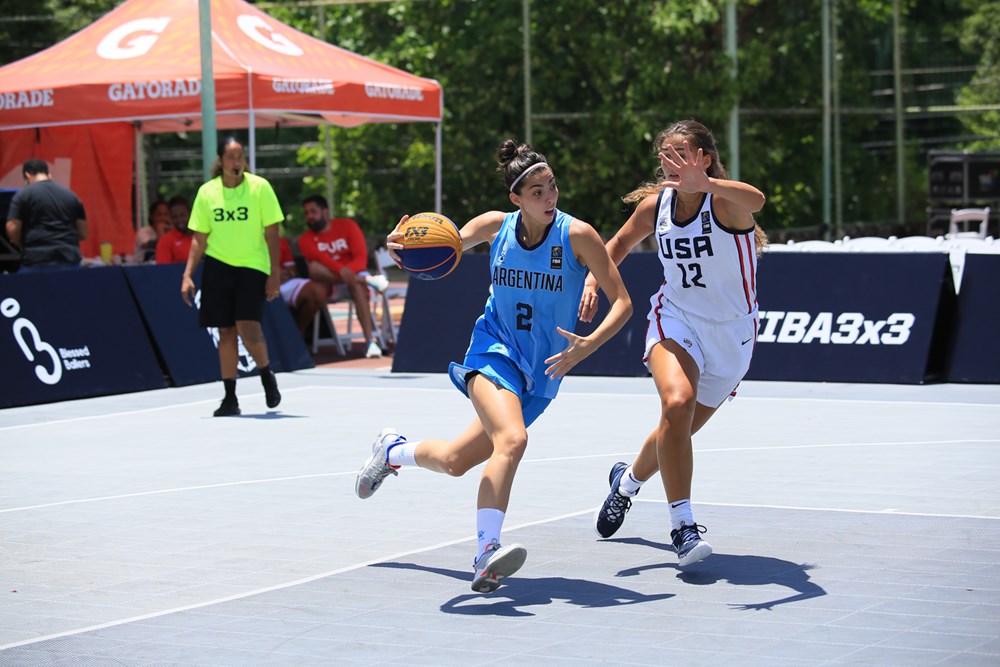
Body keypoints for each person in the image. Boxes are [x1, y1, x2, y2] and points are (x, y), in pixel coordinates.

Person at [355, 139, 633, 593]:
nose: (549, 197)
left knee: (453, 461)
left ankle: (391, 451)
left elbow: (623, 302)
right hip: (494, 351)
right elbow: (441, 246)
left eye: (552, 187)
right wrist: (399, 248)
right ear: (516, 199)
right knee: (513, 439)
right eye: (538, 191)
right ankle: (486, 553)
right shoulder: (494, 227)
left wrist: (588, 345)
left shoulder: (577, 235)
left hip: (542, 373)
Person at [583, 119, 767, 567]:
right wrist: (594, 275)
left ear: (703, 157)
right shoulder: (656, 206)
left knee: (676, 431)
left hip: (732, 337)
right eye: (665, 154)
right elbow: (620, 243)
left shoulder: (725, 203)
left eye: (681, 153)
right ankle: (682, 527)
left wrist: (709, 183)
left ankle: (625, 483)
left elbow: (758, 199)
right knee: (677, 403)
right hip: (676, 319)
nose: (670, 162)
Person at [180, 136, 283, 417]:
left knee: (247, 325)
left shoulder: (260, 188)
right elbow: (198, 238)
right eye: (230, 157)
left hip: (253, 265)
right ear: (220, 161)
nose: (236, 162)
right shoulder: (207, 192)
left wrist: (274, 272)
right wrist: (188, 274)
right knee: (225, 330)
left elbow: (272, 232)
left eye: (240, 156)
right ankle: (230, 398)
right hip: (218, 265)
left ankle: (265, 374)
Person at [297, 195, 386, 359]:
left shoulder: (348, 226)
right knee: (314, 269)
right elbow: (321, 262)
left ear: (325, 212)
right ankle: (368, 280)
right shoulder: (304, 240)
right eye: (306, 213)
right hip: (329, 283)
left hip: (353, 277)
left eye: (313, 212)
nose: (309, 216)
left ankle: (370, 342)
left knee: (357, 286)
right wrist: (342, 271)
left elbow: (361, 258)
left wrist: (348, 272)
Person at [4, 159, 87, 272]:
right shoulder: (72, 196)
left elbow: (12, 228)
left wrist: (21, 244)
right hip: (69, 261)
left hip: (35, 262)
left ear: (27, 175)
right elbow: (83, 233)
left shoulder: (22, 196)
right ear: (49, 174)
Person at [278, 234, 328, 338]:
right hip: (252, 285)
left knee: (316, 292)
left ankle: (297, 335)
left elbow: (292, 270)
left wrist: (284, 274)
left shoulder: (278, 240)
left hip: (280, 285)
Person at [155, 195, 194, 264]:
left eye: (182, 215)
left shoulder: (201, 236)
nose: (179, 220)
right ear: (170, 218)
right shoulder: (166, 241)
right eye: (175, 217)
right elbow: (163, 270)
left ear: (190, 214)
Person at [133, 199, 172, 264]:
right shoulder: (144, 232)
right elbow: (153, 247)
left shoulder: (171, 231)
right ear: (151, 216)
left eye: (166, 214)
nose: (162, 217)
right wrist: (160, 231)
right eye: (159, 214)